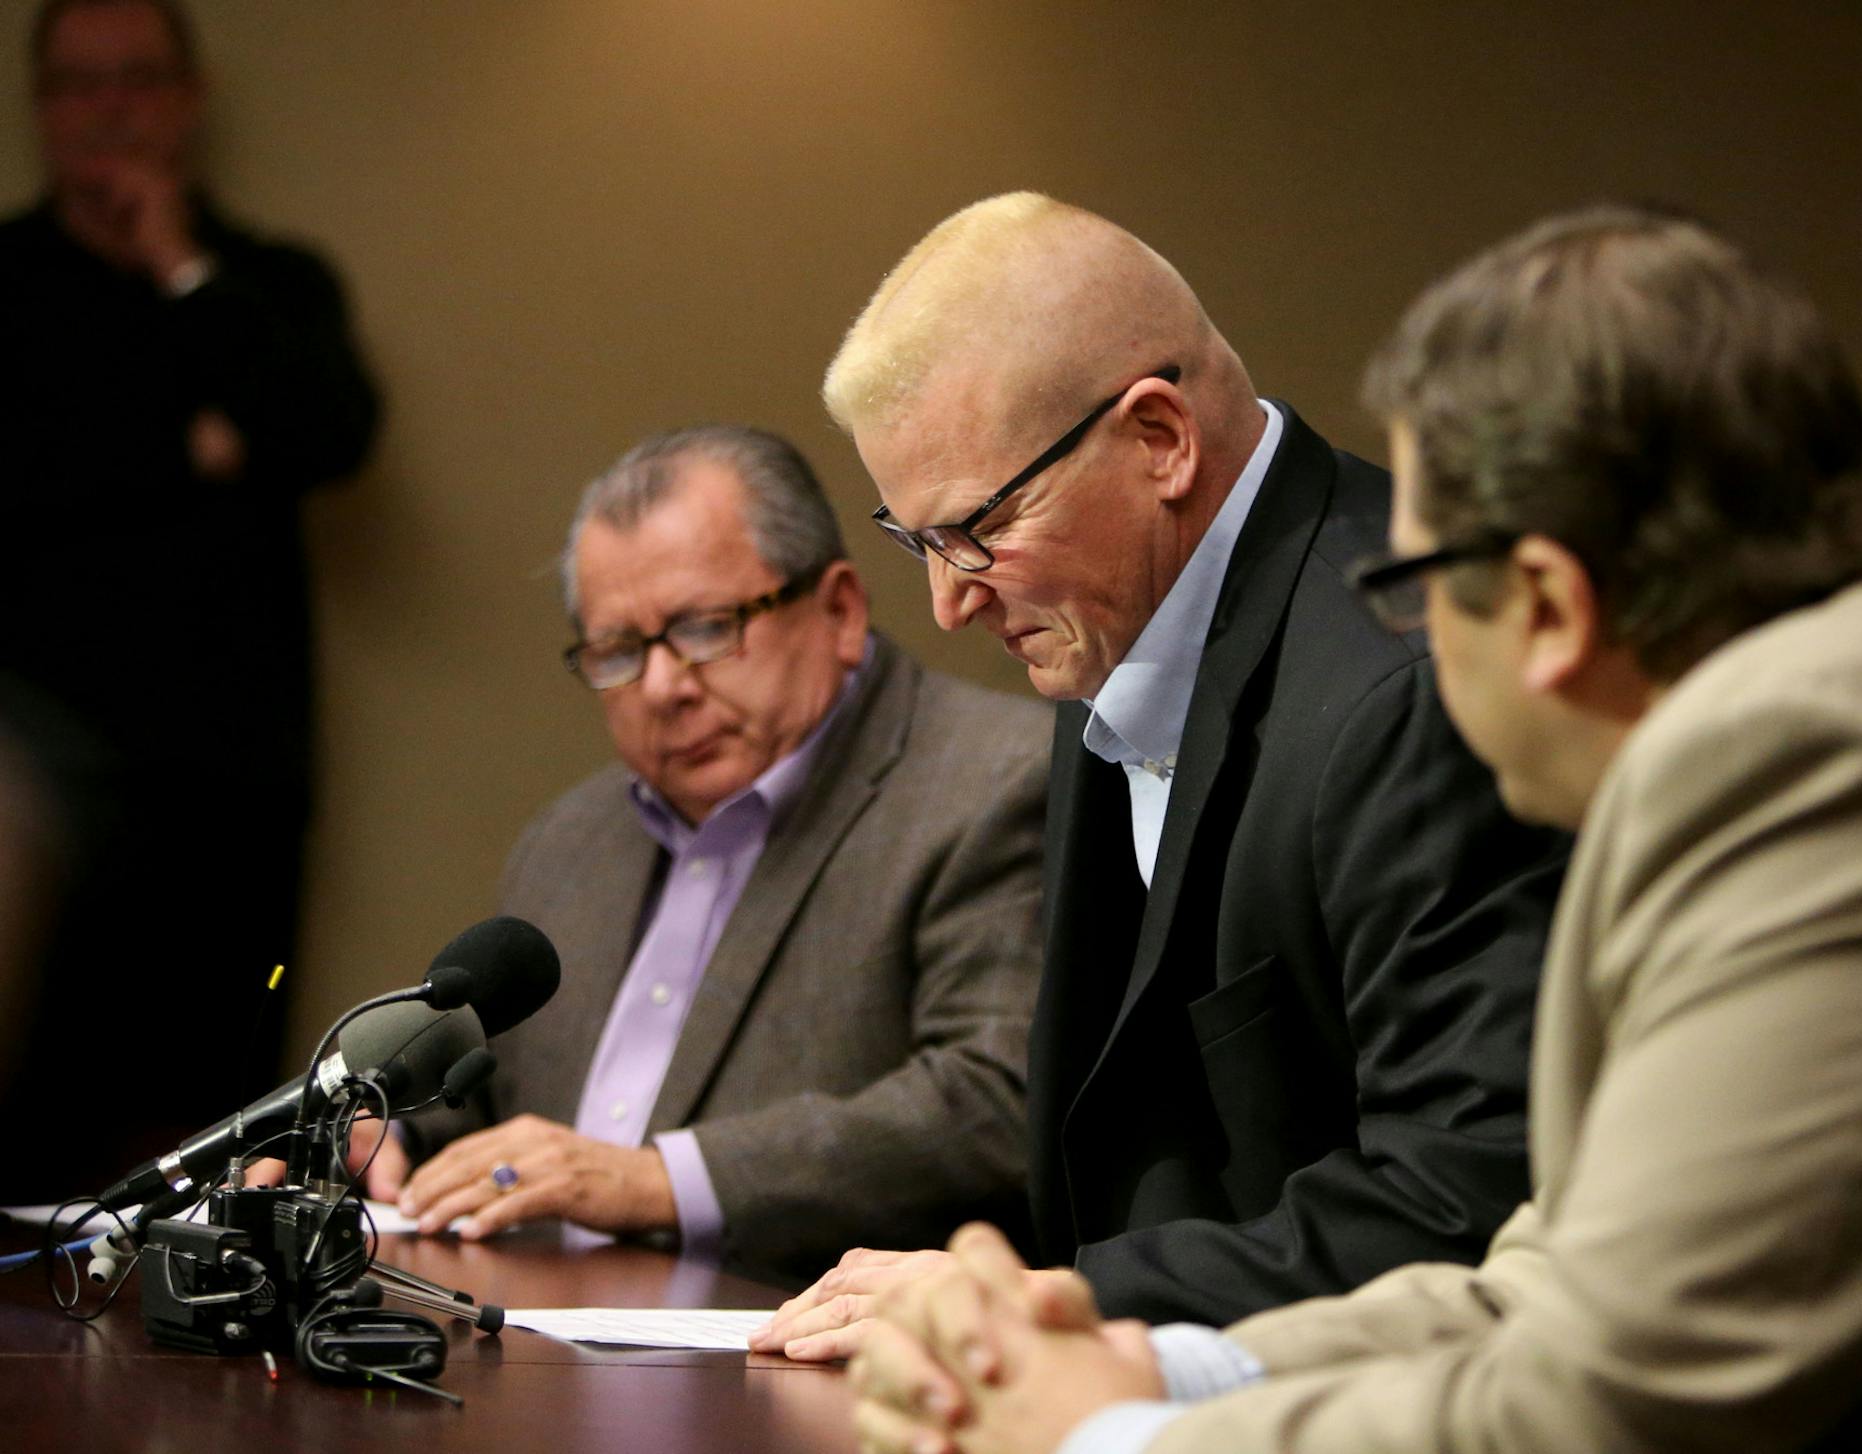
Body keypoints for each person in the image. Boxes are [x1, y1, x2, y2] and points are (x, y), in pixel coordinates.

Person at [842, 205, 1862, 1454]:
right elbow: (1555, 1274)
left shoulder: (1836, 769)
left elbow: (1620, 1399)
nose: (1401, 634)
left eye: (1412, 579)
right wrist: (1148, 1369)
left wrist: (1116, 1436)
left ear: (1547, 601)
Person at [755, 193, 1567, 1354]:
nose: (950, 599)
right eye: (918, 540)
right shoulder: (1116, 611)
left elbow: (1460, 1200)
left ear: (1160, 440)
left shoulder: (1415, 688)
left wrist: (1048, 1309)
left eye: (979, 525)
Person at [366, 426, 1051, 1284]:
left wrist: (657, 1183)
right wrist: (385, 1135)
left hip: (810, 1365)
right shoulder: (569, 841)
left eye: (704, 628)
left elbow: (996, 1103)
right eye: (619, 651)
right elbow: (493, 1107)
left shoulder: (997, 783)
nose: (663, 688)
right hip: (527, 1338)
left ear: (839, 609)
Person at [0, 0, 379, 1199]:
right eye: (79, 84)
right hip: (29, 817)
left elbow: (327, 430)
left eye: (137, 79)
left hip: (231, 805)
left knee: (221, 1156)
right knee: (27, 1150)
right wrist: (195, 446)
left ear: (189, 95)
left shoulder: (272, 280)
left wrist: (182, 272)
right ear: (40, 105)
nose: (109, 108)